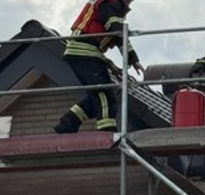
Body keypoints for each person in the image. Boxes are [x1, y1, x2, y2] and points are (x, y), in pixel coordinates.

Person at [55, 0, 145, 134]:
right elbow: (117, 31)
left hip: (88, 51)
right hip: (85, 51)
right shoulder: (110, 4)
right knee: (103, 92)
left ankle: (68, 123)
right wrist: (133, 59)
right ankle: (107, 131)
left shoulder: (110, 4)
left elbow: (115, 30)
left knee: (96, 98)